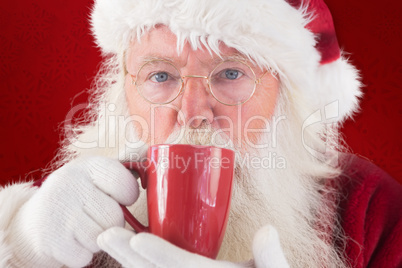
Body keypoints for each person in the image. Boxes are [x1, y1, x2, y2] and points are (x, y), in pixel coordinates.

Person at [0, 0, 401, 267]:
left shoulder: (373, 209)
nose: (193, 114)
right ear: (123, 93)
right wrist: (22, 247)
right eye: (160, 75)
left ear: (284, 95)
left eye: (230, 73)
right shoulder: (66, 202)